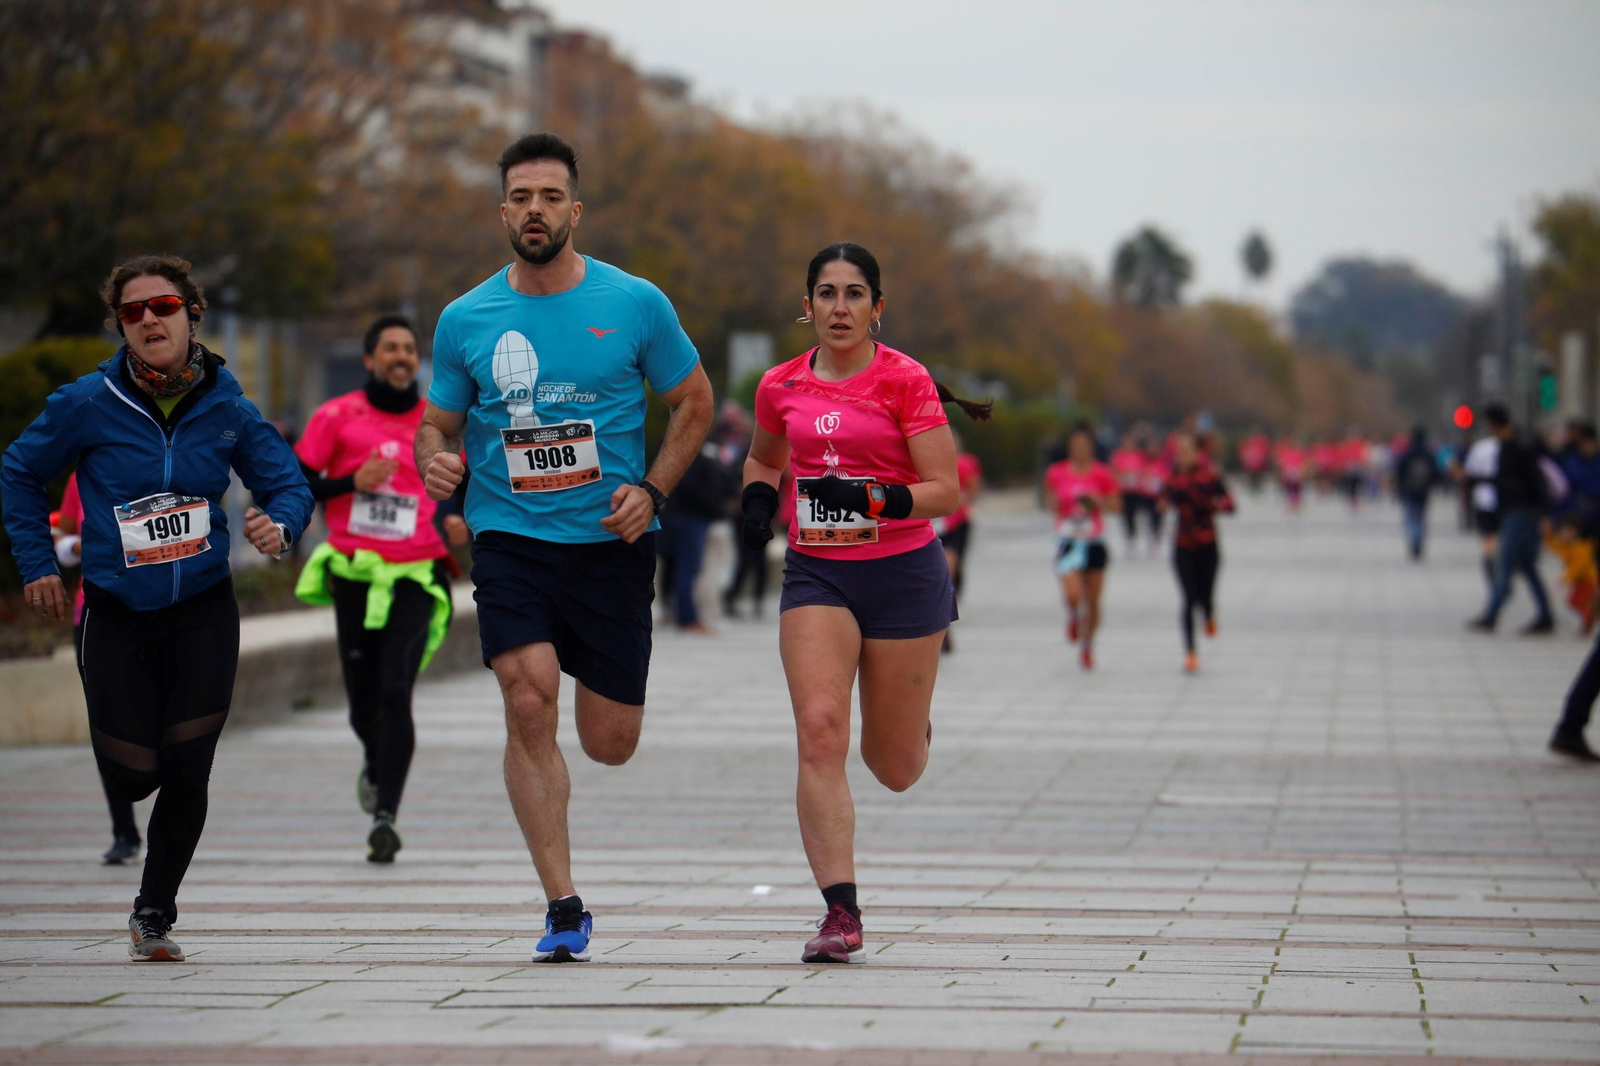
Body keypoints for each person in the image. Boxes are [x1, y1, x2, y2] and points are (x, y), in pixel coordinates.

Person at [414, 133, 713, 963]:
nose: (535, 210)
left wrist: (653, 491)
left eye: (550, 197)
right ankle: (563, 904)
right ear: (502, 212)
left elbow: (694, 401)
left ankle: (594, 706)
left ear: (575, 211)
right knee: (527, 699)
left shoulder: (636, 303)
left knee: (610, 742)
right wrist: (434, 459)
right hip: (509, 538)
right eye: (521, 197)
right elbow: (437, 423)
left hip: (611, 542)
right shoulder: (466, 317)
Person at [2, 254, 312, 962]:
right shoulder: (87, 402)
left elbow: (288, 484)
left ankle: (154, 912)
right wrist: (38, 563)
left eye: (163, 305)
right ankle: (135, 812)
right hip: (116, 609)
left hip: (202, 608)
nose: (149, 319)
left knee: (190, 764)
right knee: (134, 774)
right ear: (121, 325)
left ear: (191, 313)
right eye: (133, 311)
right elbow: (18, 469)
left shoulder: (228, 406)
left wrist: (280, 525)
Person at [737, 241, 990, 964]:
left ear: (877, 308)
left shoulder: (905, 380)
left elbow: (946, 491)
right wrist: (757, 505)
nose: (839, 308)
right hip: (818, 575)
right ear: (807, 305)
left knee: (894, 766)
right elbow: (764, 458)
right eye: (827, 293)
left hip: (903, 574)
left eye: (854, 294)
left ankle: (909, 719)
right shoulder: (780, 384)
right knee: (820, 731)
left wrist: (874, 498)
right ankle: (840, 912)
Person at [291, 313, 456, 863]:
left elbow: (464, 480)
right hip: (355, 572)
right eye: (390, 348)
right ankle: (374, 757)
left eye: (409, 348)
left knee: (395, 689)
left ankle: (386, 815)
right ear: (369, 359)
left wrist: (460, 519)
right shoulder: (337, 416)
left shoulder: (436, 422)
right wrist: (349, 482)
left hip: (416, 572)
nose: (402, 357)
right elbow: (295, 483)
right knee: (363, 704)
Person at [54, 472, 142, 864]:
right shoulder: (81, 476)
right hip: (94, 613)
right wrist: (82, 544)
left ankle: (174, 827)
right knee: (106, 724)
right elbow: (64, 544)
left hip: (167, 610)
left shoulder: (169, 464)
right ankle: (124, 832)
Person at [1468, 405, 1553, 634]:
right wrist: (1474, 480)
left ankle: (1491, 614)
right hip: (1513, 511)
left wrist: (1545, 513)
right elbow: (1502, 478)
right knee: (1527, 566)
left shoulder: (1520, 446)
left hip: (1521, 512)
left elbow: (1536, 480)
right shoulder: (1507, 446)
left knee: (1503, 564)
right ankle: (1546, 615)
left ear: (1493, 424)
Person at [1044, 422, 1120, 670]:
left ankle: (1088, 644)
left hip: (1094, 540)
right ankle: (1073, 615)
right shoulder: (1056, 472)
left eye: (1084, 446)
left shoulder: (1101, 473)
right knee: (1073, 594)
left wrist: (1098, 502)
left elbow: (1116, 505)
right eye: (1075, 446)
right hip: (1067, 539)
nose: (1080, 450)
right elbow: (1049, 501)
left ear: (1091, 448)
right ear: (1070, 448)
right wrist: (1056, 502)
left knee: (1093, 601)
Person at [1162, 432, 1235, 672]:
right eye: (1178, 452)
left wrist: (1212, 504)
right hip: (1183, 544)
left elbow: (1230, 504)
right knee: (1188, 598)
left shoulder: (1210, 475)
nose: (1182, 456)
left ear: (1196, 454)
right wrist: (1162, 504)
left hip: (1207, 542)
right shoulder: (1172, 478)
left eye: (1186, 451)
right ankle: (1190, 652)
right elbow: (1161, 500)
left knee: (1206, 595)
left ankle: (1209, 614)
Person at [657, 441, 727, 633]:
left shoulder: (671, 452)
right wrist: (716, 510)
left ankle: (673, 610)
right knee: (688, 568)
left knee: (674, 566)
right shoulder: (695, 457)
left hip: (675, 515)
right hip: (691, 518)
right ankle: (686, 617)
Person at [936, 428, 983, 653]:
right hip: (930, 524)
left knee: (951, 570)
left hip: (956, 525)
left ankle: (947, 619)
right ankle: (942, 623)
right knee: (940, 573)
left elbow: (973, 490)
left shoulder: (964, 463)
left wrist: (955, 500)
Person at [1393, 426, 1440, 560]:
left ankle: (1413, 539)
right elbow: (1435, 474)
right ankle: (1419, 540)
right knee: (1421, 518)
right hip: (1423, 492)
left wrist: (1399, 489)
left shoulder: (1407, 454)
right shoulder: (1428, 454)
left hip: (1409, 491)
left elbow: (1399, 473)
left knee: (1410, 517)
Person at [1110, 431, 1154, 552]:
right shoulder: (1118, 455)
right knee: (1126, 514)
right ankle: (1129, 536)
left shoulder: (1139, 455)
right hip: (1124, 490)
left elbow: (1146, 469)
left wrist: (1139, 477)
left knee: (1138, 513)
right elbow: (1113, 471)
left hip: (1137, 490)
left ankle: (1141, 535)